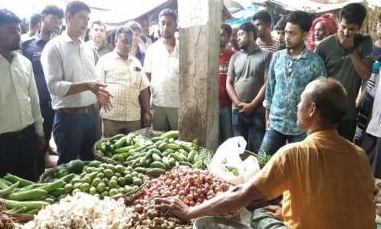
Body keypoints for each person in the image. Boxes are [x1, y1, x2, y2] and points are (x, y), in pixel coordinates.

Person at [156, 78, 376, 229]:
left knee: (258, 216)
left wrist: (188, 211)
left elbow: (241, 194)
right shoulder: (358, 155)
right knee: (273, 211)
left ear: (312, 110)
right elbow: (335, 196)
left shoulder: (295, 153)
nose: (296, 105)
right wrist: (288, 212)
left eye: (301, 100)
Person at [41, 1, 111, 165]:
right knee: (68, 168)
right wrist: (87, 85)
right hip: (69, 120)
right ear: (68, 17)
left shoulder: (89, 49)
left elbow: (95, 80)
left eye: (88, 19)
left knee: (93, 165)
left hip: (92, 117)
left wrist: (99, 96)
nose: (86, 23)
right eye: (81, 18)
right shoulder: (54, 47)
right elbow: (54, 86)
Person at [0, 9, 45, 181]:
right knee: (3, 199)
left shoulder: (24, 63)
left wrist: (39, 133)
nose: (18, 35)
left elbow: (34, 100)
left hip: (27, 138)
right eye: (11, 31)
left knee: (29, 190)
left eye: (18, 30)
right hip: (0, 144)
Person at [259, 11, 326, 156]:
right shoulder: (277, 57)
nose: (287, 37)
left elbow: (319, 99)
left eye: (292, 33)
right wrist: (267, 119)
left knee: (296, 172)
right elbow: (270, 90)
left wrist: (312, 128)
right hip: (275, 125)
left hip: (300, 129)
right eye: (286, 32)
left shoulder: (315, 63)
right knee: (261, 164)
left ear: (304, 35)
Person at [316, 3, 372, 141]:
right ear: (338, 22)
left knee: (342, 157)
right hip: (325, 113)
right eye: (343, 27)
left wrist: (351, 49)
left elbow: (365, 75)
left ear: (359, 27)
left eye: (352, 29)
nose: (346, 33)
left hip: (348, 114)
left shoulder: (365, 42)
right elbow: (315, 81)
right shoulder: (324, 46)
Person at [21, 5, 64, 176]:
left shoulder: (62, 46)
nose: (57, 24)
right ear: (42, 17)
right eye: (54, 19)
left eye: (60, 21)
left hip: (61, 106)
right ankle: (37, 181)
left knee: (62, 145)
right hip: (41, 108)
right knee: (39, 147)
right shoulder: (28, 47)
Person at [96, 26, 151, 136]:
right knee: (109, 150)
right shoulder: (104, 61)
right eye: (124, 41)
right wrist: (96, 112)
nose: (128, 45)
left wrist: (147, 112)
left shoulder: (136, 63)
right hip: (111, 119)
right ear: (116, 41)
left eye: (130, 42)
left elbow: (144, 89)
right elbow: (96, 88)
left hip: (133, 119)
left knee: (133, 150)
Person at [226, 22, 272, 153]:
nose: (237, 38)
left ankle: (260, 173)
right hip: (237, 110)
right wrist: (237, 103)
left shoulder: (266, 55)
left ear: (251, 34)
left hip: (256, 110)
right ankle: (241, 173)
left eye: (241, 34)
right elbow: (229, 83)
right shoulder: (235, 56)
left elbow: (267, 83)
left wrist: (251, 105)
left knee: (259, 148)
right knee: (239, 148)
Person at [143, 9, 179, 131]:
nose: (165, 27)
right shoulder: (152, 49)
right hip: (157, 104)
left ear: (175, 25)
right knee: (158, 141)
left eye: (169, 23)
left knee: (178, 141)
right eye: (163, 23)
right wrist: (147, 110)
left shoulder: (184, 47)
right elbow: (146, 79)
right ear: (159, 25)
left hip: (178, 105)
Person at [218, 23, 235, 143]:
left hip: (227, 106)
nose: (219, 38)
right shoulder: (208, 54)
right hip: (212, 106)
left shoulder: (234, 55)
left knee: (228, 139)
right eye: (217, 35)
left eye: (223, 35)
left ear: (229, 38)